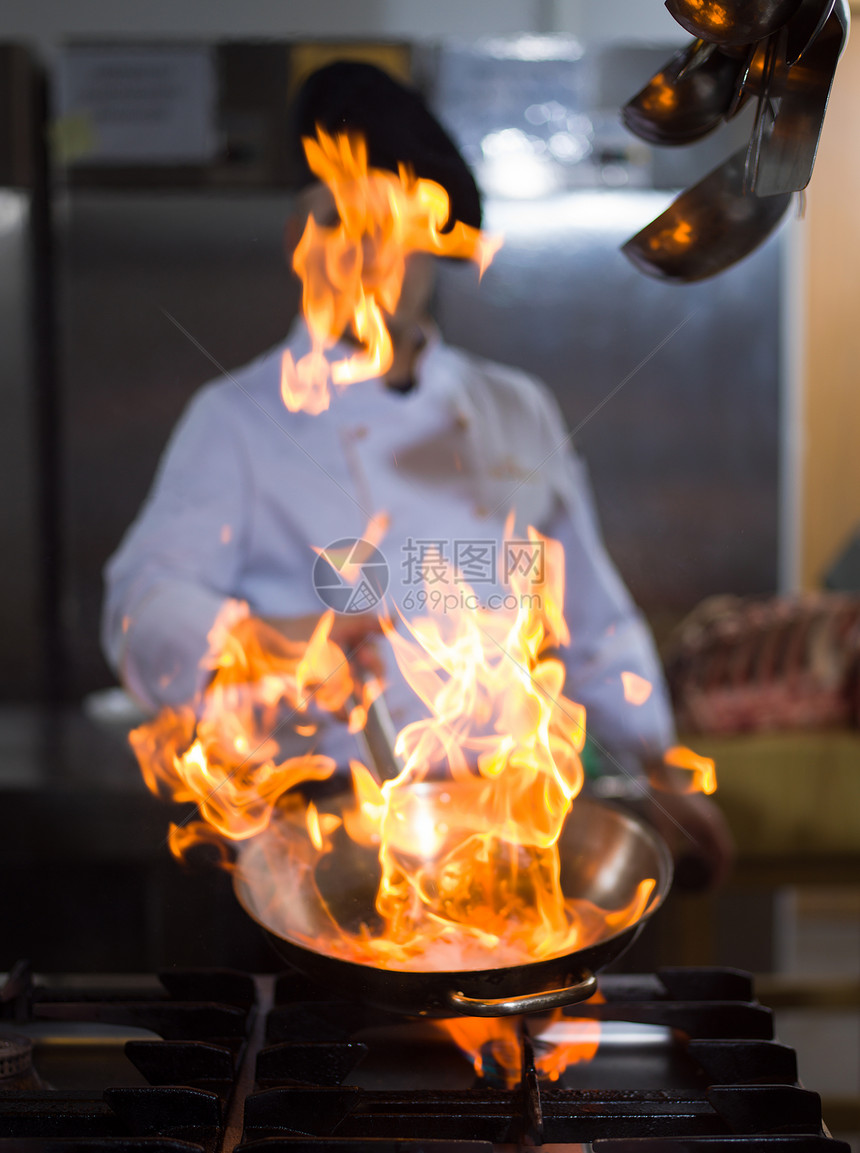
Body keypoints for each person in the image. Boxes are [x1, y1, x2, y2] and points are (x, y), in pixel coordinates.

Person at [102, 61, 732, 886]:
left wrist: (656, 764)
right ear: (302, 235)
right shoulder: (236, 419)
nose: (369, 251)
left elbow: (594, 619)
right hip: (325, 840)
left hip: (510, 830)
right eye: (339, 218)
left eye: (394, 221)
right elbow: (142, 601)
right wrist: (265, 641)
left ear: (433, 237)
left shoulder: (516, 406)